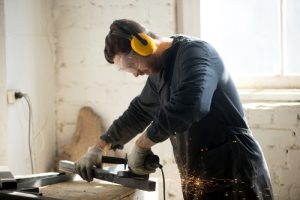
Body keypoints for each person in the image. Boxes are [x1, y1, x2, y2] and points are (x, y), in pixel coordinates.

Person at [75, 19, 274, 199]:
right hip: (201, 174)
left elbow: (191, 104)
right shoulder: (157, 73)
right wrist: (99, 147)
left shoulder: (196, 54)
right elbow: (139, 112)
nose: (135, 74)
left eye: (132, 65)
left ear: (143, 45)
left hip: (235, 168)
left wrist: (142, 144)